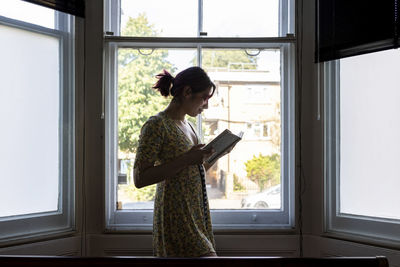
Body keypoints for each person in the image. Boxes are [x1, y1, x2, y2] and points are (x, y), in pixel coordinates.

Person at [133, 66, 222, 257]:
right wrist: (187, 158)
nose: (206, 105)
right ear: (187, 92)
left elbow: (193, 169)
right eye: (204, 97)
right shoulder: (156, 125)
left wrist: (218, 154)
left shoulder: (189, 126)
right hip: (176, 216)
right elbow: (140, 178)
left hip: (196, 214)